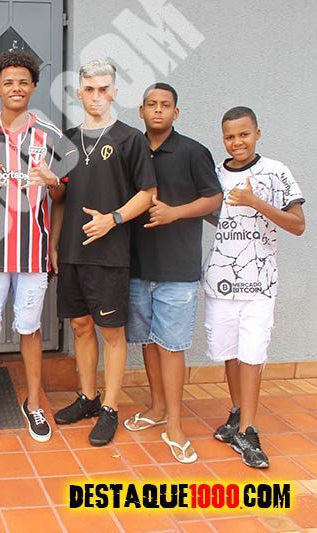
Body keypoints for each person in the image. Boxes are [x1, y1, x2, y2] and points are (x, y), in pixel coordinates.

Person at [0, 51, 70, 443]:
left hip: (32, 252)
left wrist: (53, 182)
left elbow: (61, 197)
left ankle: (34, 404)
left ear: (34, 87)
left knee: (30, 328)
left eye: (23, 81)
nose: (16, 88)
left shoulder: (50, 136)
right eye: (8, 82)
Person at [51, 59, 156, 447]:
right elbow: (60, 198)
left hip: (110, 253)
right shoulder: (66, 140)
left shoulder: (130, 139)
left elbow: (147, 194)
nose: (96, 96)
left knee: (112, 332)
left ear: (114, 92)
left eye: (103, 89)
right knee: (80, 327)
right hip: (72, 252)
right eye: (89, 89)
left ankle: (110, 407)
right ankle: (88, 397)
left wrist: (113, 219)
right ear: (79, 93)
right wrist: (54, 243)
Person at [123, 83, 223, 463]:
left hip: (177, 268)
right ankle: (157, 407)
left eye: (165, 105)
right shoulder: (131, 149)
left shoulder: (193, 151)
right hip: (137, 265)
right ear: (142, 111)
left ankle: (176, 426)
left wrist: (175, 212)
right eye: (151, 104)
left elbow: (214, 198)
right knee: (148, 342)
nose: (158, 110)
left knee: (172, 346)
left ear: (175, 112)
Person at [204, 106, 305, 468]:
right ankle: (237, 413)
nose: (237, 142)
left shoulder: (276, 172)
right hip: (221, 281)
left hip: (260, 284)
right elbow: (210, 212)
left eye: (244, 134)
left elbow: (297, 225)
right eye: (230, 136)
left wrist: (255, 202)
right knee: (230, 353)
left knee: (252, 354)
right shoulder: (215, 175)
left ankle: (249, 430)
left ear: (257, 133)